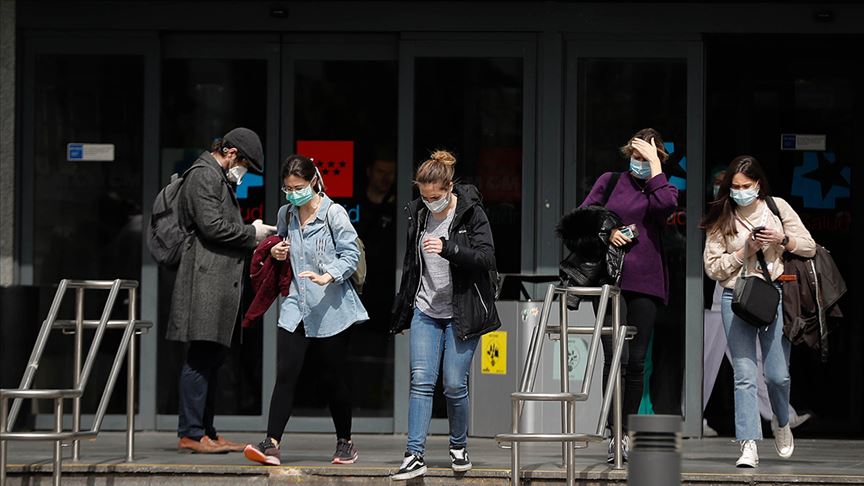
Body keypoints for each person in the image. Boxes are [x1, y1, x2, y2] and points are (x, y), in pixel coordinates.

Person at [243, 154, 368, 466]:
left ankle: (345, 442)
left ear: (313, 181)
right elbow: (282, 245)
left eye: (298, 187)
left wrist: (330, 273)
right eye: (287, 188)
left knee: (332, 378)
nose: (293, 193)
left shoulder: (333, 214)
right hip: (296, 305)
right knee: (286, 373)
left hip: (331, 307)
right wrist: (276, 250)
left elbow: (352, 253)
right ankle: (271, 443)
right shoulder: (286, 213)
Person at [389, 150, 501, 481]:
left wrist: (449, 248)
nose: (429, 202)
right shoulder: (419, 214)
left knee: (454, 384)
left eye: (435, 197)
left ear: (449, 187)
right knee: (422, 381)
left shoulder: (471, 213)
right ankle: (414, 454)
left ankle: (458, 445)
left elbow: (487, 258)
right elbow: (413, 265)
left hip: (462, 311)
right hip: (426, 309)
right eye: (424, 197)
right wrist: (404, 307)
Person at [702, 155, 815, 467]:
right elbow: (713, 267)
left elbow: (809, 246)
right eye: (735, 187)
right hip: (734, 297)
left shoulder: (777, 208)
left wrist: (782, 238)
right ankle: (748, 443)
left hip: (773, 295)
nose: (740, 192)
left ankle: (781, 421)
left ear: (758, 185)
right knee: (744, 373)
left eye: (746, 186)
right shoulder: (721, 215)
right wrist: (743, 252)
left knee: (778, 376)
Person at [167, 127, 276, 453]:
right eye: (243, 163)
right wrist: (251, 233)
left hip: (215, 281)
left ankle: (207, 431)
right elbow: (212, 226)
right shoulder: (204, 175)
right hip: (204, 281)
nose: (242, 172)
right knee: (201, 358)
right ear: (230, 153)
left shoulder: (216, 177)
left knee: (212, 358)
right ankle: (191, 433)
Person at [577, 128, 678, 463]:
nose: (639, 164)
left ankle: (625, 432)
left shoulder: (661, 188)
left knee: (636, 362)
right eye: (636, 157)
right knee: (614, 358)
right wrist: (608, 234)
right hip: (610, 281)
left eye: (646, 158)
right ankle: (613, 432)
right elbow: (581, 220)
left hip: (646, 284)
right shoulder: (610, 181)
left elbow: (666, 207)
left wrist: (655, 168)